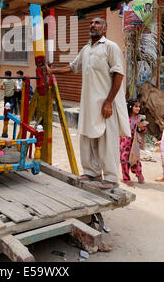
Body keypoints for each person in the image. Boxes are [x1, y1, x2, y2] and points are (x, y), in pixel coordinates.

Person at [47, 17, 131, 190]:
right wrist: (52, 70)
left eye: (97, 23)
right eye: (91, 23)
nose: (93, 25)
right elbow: (72, 67)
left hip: (105, 104)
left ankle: (110, 177)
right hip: (88, 103)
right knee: (87, 136)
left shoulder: (110, 47)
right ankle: (91, 172)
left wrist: (109, 101)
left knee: (106, 140)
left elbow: (119, 74)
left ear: (105, 28)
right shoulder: (86, 49)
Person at [119, 99, 146, 186]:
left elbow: (143, 130)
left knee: (135, 157)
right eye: (136, 106)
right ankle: (126, 178)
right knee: (124, 158)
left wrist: (141, 127)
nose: (138, 108)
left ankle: (139, 175)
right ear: (130, 107)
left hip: (135, 141)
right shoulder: (125, 117)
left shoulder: (141, 118)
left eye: (139, 106)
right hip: (125, 141)